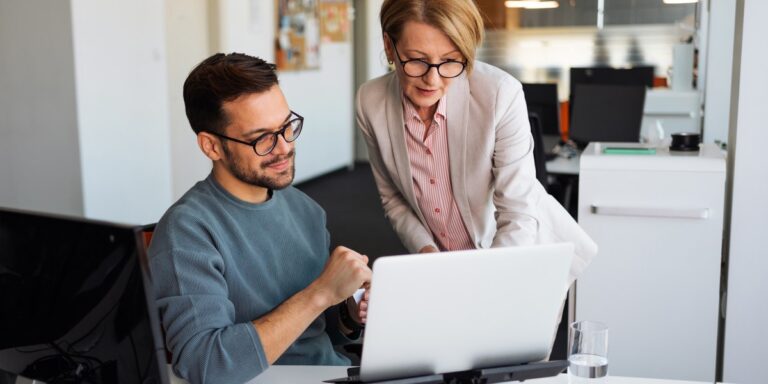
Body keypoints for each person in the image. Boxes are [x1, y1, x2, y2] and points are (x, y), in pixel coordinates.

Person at [148, 53, 371, 384]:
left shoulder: (306, 210)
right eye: (261, 138)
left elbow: (321, 335)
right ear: (212, 146)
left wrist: (350, 314)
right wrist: (319, 294)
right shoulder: (187, 232)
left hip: (333, 373)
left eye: (286, 127)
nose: (283, 147)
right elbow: (204, 366)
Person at [356, 0, 596, 273]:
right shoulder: (370, 102)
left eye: (450, 60)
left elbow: (518, 212)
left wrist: (486, 281)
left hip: (515, 252)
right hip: (442, 263)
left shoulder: (500, 94)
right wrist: (427, 252)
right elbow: (394, 199)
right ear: (389, 46)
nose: (432, 80)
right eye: (417, 60)